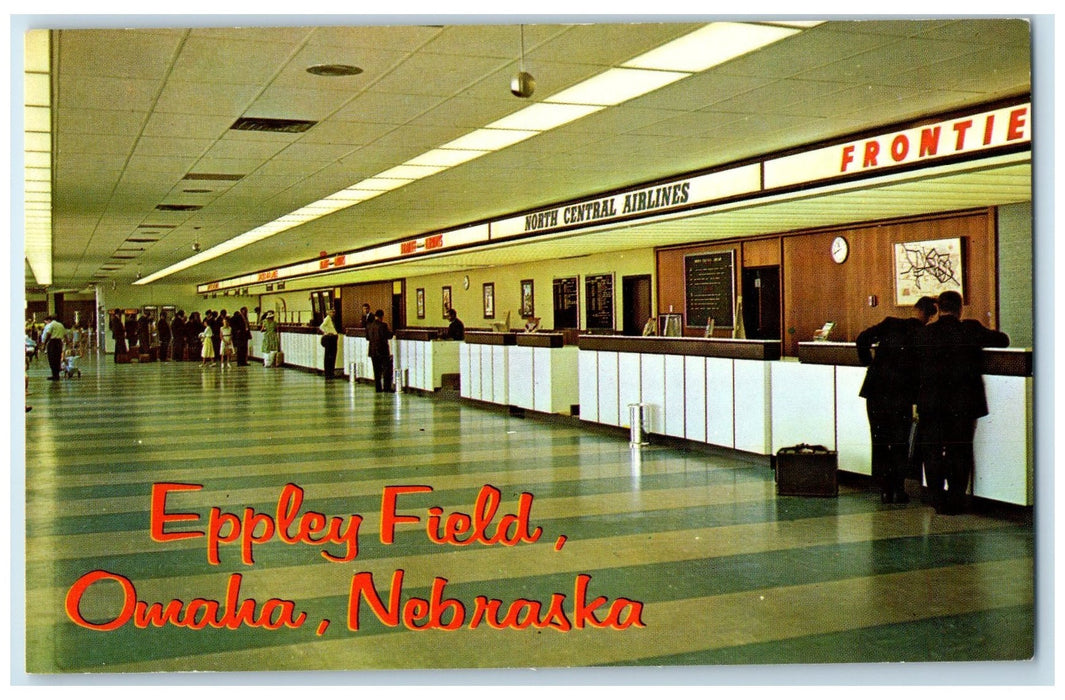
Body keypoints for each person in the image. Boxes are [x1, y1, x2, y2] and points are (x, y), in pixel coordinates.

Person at [915, 290, 1010, 515]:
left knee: (933, 451)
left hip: (931, 403)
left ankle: (937, 498)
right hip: (963, 403)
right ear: (960, 309)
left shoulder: (926, 334)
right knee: (960, 450)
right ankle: (956, 499)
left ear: (938, 309)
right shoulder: (970, 329)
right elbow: (1003, 340)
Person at [856, 296, 937, 504]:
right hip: (901, 396)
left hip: (875, 391)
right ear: (930, 315)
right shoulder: (923, 333)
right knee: (900, 442)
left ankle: (884, 490)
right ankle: (898, 489)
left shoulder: (890, 323)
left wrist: (870, 364)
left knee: (879, 441)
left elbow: (862, 339)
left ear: (914, 308)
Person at [366, 309, 393, 392]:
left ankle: (378, 388)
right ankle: (387, 387)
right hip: (382, 350)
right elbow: (388, 336)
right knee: (386, 369)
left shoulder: (369, 325)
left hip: (372, 351)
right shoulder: (383, 325)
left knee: (376, 370)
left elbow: (367, 337)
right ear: (382, 316)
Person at [40, 315, 67, 381]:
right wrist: (68, 342)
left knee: (52, 359)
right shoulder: (61, 325)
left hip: (53, 343)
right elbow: (65, 334)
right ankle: (57, 375)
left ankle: (54, 375)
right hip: (59, 343)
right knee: (57, 359)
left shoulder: (51, 325)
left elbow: (48, 334)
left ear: (51, 319)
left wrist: (44, 344)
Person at [318, 307, 339, 379]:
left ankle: (330, 372)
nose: (333, 313)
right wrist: (327, 332)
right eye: (331, 312)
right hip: (330, 338)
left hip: (333, 337)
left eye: (334, 312)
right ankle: (328, 372)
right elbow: (321, 326)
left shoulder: (332, 319)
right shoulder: (327, 318)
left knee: (332, 356)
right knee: (329, 356)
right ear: (328, 312)